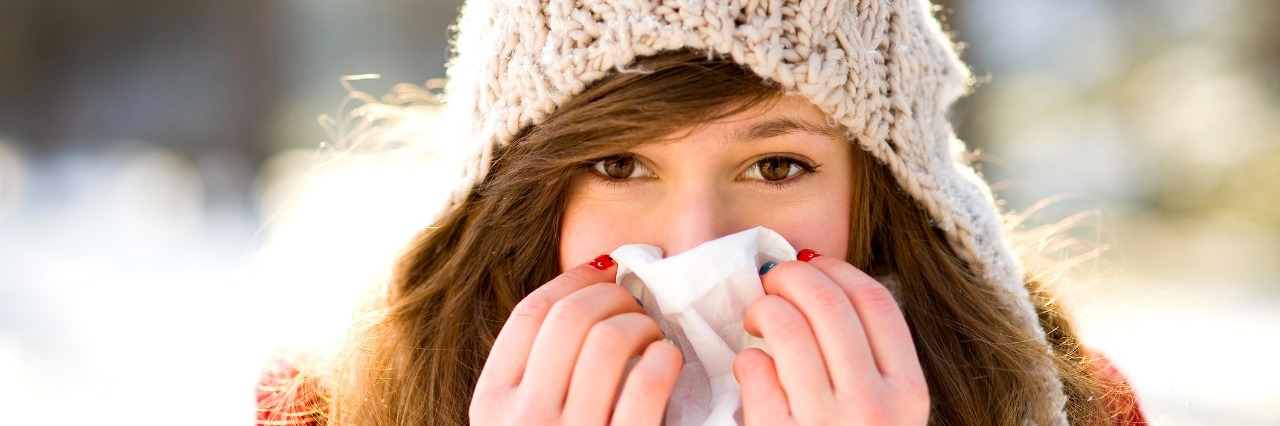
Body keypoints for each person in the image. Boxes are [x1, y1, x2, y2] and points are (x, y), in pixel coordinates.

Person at [257, 0, 1146, 424]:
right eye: (618, 163)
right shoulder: (320, 410)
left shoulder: (1076, 407)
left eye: (776, 164)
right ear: (519, 198)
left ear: (890, 194)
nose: (695, 245)